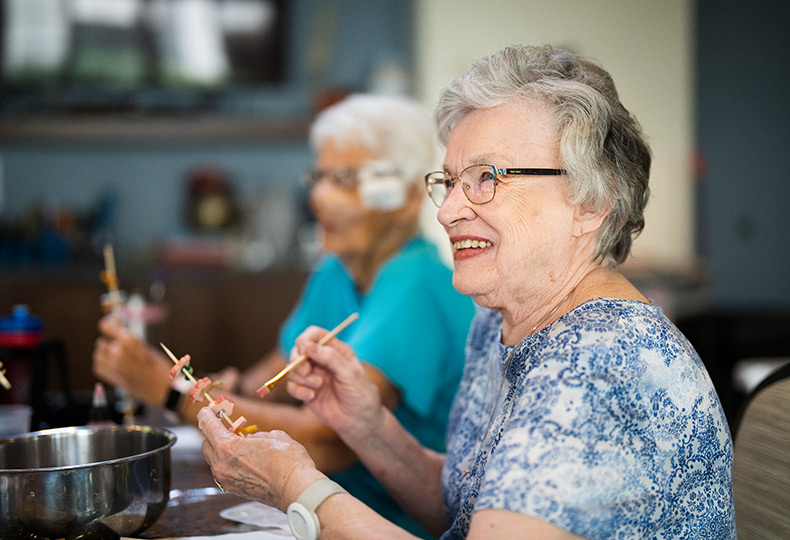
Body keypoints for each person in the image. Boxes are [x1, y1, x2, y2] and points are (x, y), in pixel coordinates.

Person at [198, 44, 736, 539]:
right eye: (451, 181)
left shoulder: (598, 366)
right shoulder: (500, 321)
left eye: (486, 178)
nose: (449, 210)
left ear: (591, 203)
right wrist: (368, 426)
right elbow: (468, 508)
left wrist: (295, 486)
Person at [92, 94, 476, 539]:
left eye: (346, 180)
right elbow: (266, 386)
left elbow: (328, 442)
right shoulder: (335, 272)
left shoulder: (417, 283)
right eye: (319, 177)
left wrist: (170, 390)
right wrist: (221, 390)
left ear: (406, 198)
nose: (319, 197)